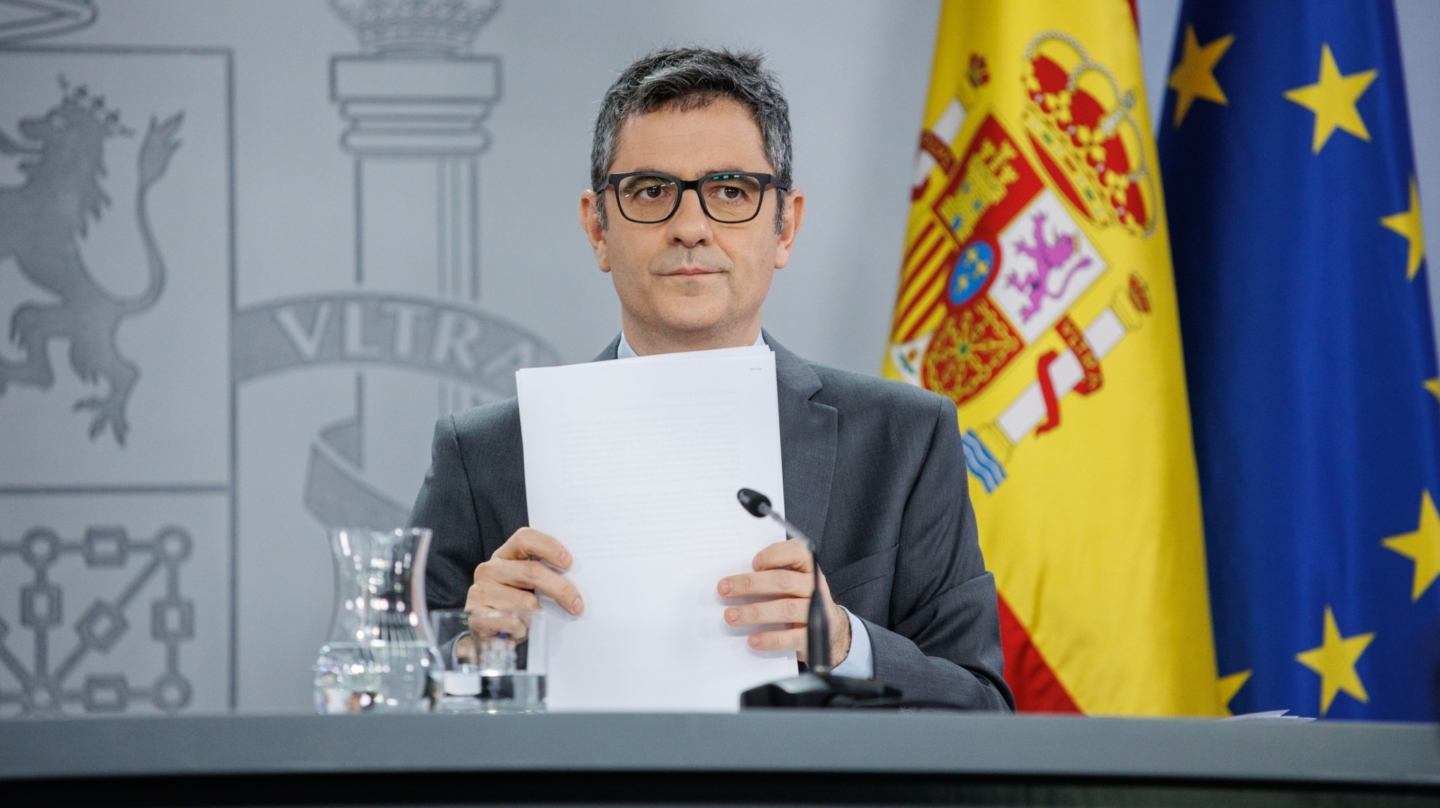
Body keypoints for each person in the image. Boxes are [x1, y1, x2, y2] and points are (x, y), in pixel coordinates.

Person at [409, 47, 1013, 710]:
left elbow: (982, 709)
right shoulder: (485, 455)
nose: (689, 227)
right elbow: (392, 715)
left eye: (730, 191)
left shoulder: (905, 439)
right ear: (597, 227)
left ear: (786, 226)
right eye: (650, 192)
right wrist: (473, 655)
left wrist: (843, 643)